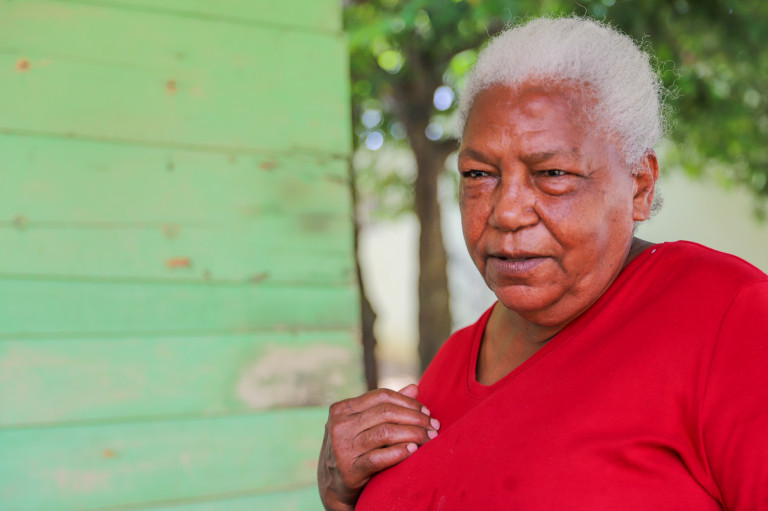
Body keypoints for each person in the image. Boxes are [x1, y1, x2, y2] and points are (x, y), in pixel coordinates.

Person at [318, 15, 768, 511]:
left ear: (639, 186)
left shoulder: (729, 316)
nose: (506, 212)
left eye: (552, 173)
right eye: (479, 174)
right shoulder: (452, 363)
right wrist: (341, 496)